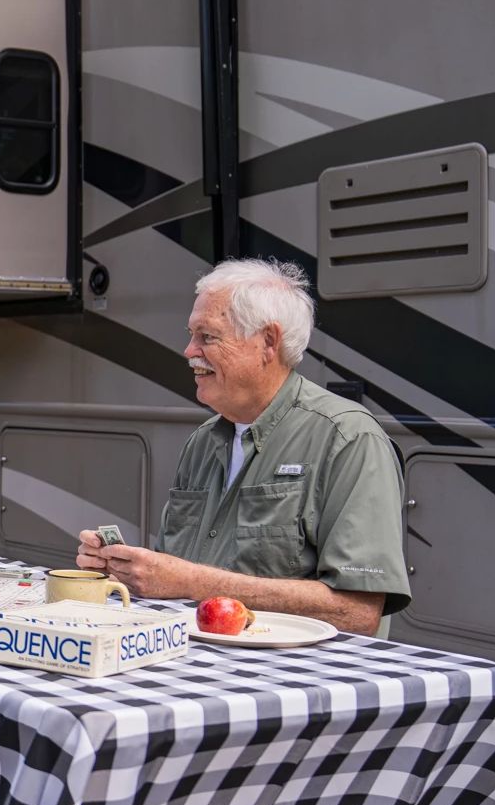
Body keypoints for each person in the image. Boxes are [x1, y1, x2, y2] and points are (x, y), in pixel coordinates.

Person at [76, 259, 410, 635]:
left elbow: (358, 613)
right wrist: (123, 569)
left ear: (268, 342)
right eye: (191, 335)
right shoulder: (203, 442)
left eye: (207, 337)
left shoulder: (348, 439)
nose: (188, 351)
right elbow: (173, 579)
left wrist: (192, 582)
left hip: (292, 670)